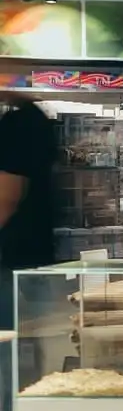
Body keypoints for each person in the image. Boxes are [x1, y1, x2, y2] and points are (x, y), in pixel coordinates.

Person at [0, 94, 56, 331]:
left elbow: (6, 197)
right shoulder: (35, 120)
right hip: (34, 250)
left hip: (12, 255)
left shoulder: (16, 127)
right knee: (33, 331)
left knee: (11, 333)